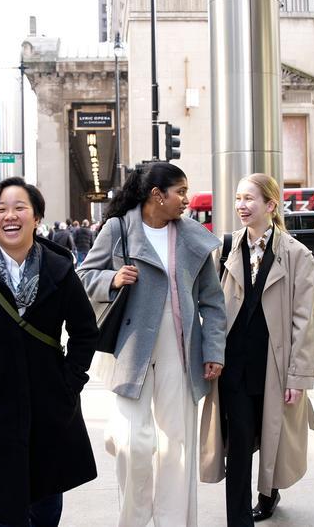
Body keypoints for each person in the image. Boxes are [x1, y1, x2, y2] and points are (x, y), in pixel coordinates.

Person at [0, 177, 99, 526]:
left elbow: (86, 332)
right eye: (0, 209)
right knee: (1, 510)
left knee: (46, 505)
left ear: (37, 217)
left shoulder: (59, 272)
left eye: (19, 208)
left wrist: (69, 383)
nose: (9, 216)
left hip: (51, 405)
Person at [77, 162, 226, 527]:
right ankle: (134, 520)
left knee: (177, 444)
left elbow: (212, 301)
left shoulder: (192, 236)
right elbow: (83, 276)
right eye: (180, 192)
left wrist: (213, 351)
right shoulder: (118, 229)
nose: (186, 200)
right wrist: (112, 279)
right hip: (132, 353)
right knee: (134, 444)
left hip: (181, 351)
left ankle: (174, 521)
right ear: (157, 196)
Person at [200, 173, 314, 524]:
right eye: (238, 198)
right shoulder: (224, 249)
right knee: (237, 446)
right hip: (233, 367)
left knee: (271, 439)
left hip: (274, 367)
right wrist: (211, 353)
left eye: (249, 199)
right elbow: (211, 306)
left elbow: (304, 322)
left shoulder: (297, 255)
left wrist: (297, 376)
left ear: (270, 205)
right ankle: (239, 520)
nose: (241, 206)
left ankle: (269, 493)